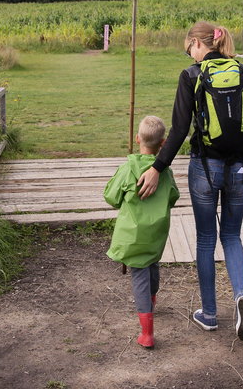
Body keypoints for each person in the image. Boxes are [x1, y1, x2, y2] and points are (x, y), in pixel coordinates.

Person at [136, 21, 243, 341]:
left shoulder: (191, 76)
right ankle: (241, 296)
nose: (189, 53)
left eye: (189, 47)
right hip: (242, 170)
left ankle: (208, 313)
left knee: (206, 238)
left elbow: (178, 130)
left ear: (198, 44)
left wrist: (157, 167)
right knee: (231, 236)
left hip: (205, 168)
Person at [104, 115, 180, 349]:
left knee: (140, 276)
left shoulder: (128, 169)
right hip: (156, 233)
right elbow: (173, 196)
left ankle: (147, 333)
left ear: (137, 139)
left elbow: (111, 197)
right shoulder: (164, 172)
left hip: (133, 236)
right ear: (163, 143)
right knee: (153, 264)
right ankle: (152, 300)